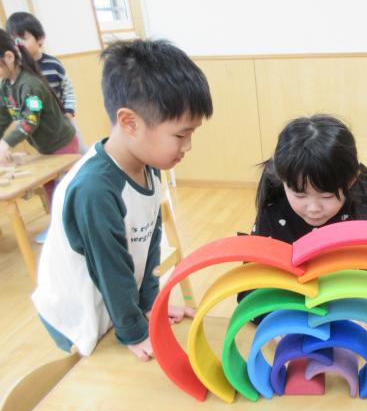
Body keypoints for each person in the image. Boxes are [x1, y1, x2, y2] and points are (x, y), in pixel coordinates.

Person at [32, 39, 213, 361]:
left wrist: (150, 305)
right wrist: (134, 330)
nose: (187, 146)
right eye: (180, 135)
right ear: (130, 122)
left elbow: (150, 241)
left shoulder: (148, 165)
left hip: (114, 301)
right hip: (78, 313)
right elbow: (111, 269)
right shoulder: (95, 190)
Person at [240, 114, 367, 341]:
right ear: (282, 180)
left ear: (351, 180)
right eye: (299, 195)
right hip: (289, 308)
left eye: (327, 196)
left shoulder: (361, 208)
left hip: (348, 312)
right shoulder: (274, 209)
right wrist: (276, 320)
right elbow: (251, 286)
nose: (313, 208)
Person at [0, 28, 78, 164]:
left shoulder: (30, 85)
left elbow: (30, 120)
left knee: (66, 177)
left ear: (9, 57)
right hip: (44, 146)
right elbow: (3, 117)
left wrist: (7, 142)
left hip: (62, 144)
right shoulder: (5, 85)